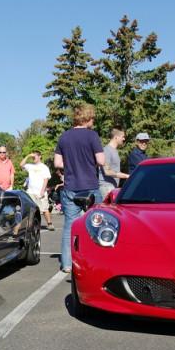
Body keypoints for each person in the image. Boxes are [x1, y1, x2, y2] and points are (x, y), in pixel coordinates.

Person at [54, 104, 105, 273]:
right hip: (90, 186)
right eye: (93, 118)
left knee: (69, 225)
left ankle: (67, 264)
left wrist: (72, 163)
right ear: (87, 118)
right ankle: (97, 261)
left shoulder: (64, 137)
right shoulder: (92, 136)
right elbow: (101, 161)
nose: (93, 121)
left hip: (70, 187)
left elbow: (57, 163)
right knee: (96, 224)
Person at [20, 151, 54, 231]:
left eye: (34, 156)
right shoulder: (30, 166)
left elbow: (46, 179)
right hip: (31, 192)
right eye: (32, 157)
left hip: (40, 192)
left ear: (39, 156)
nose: (33, 158)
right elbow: (21, 165)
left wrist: (42, 191)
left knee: (44, 209)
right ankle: (30, 225)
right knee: (30, 209)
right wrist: (28, 155)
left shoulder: (44, 167)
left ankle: (49, 223)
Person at [99, 128, 129, 197]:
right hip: (106, 187)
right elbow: (107, 171)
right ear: (116, 137)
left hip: (112, 187)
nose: (124, 139)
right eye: (123, 137)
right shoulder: (106, 151)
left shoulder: (114, 151)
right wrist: (126, 176)